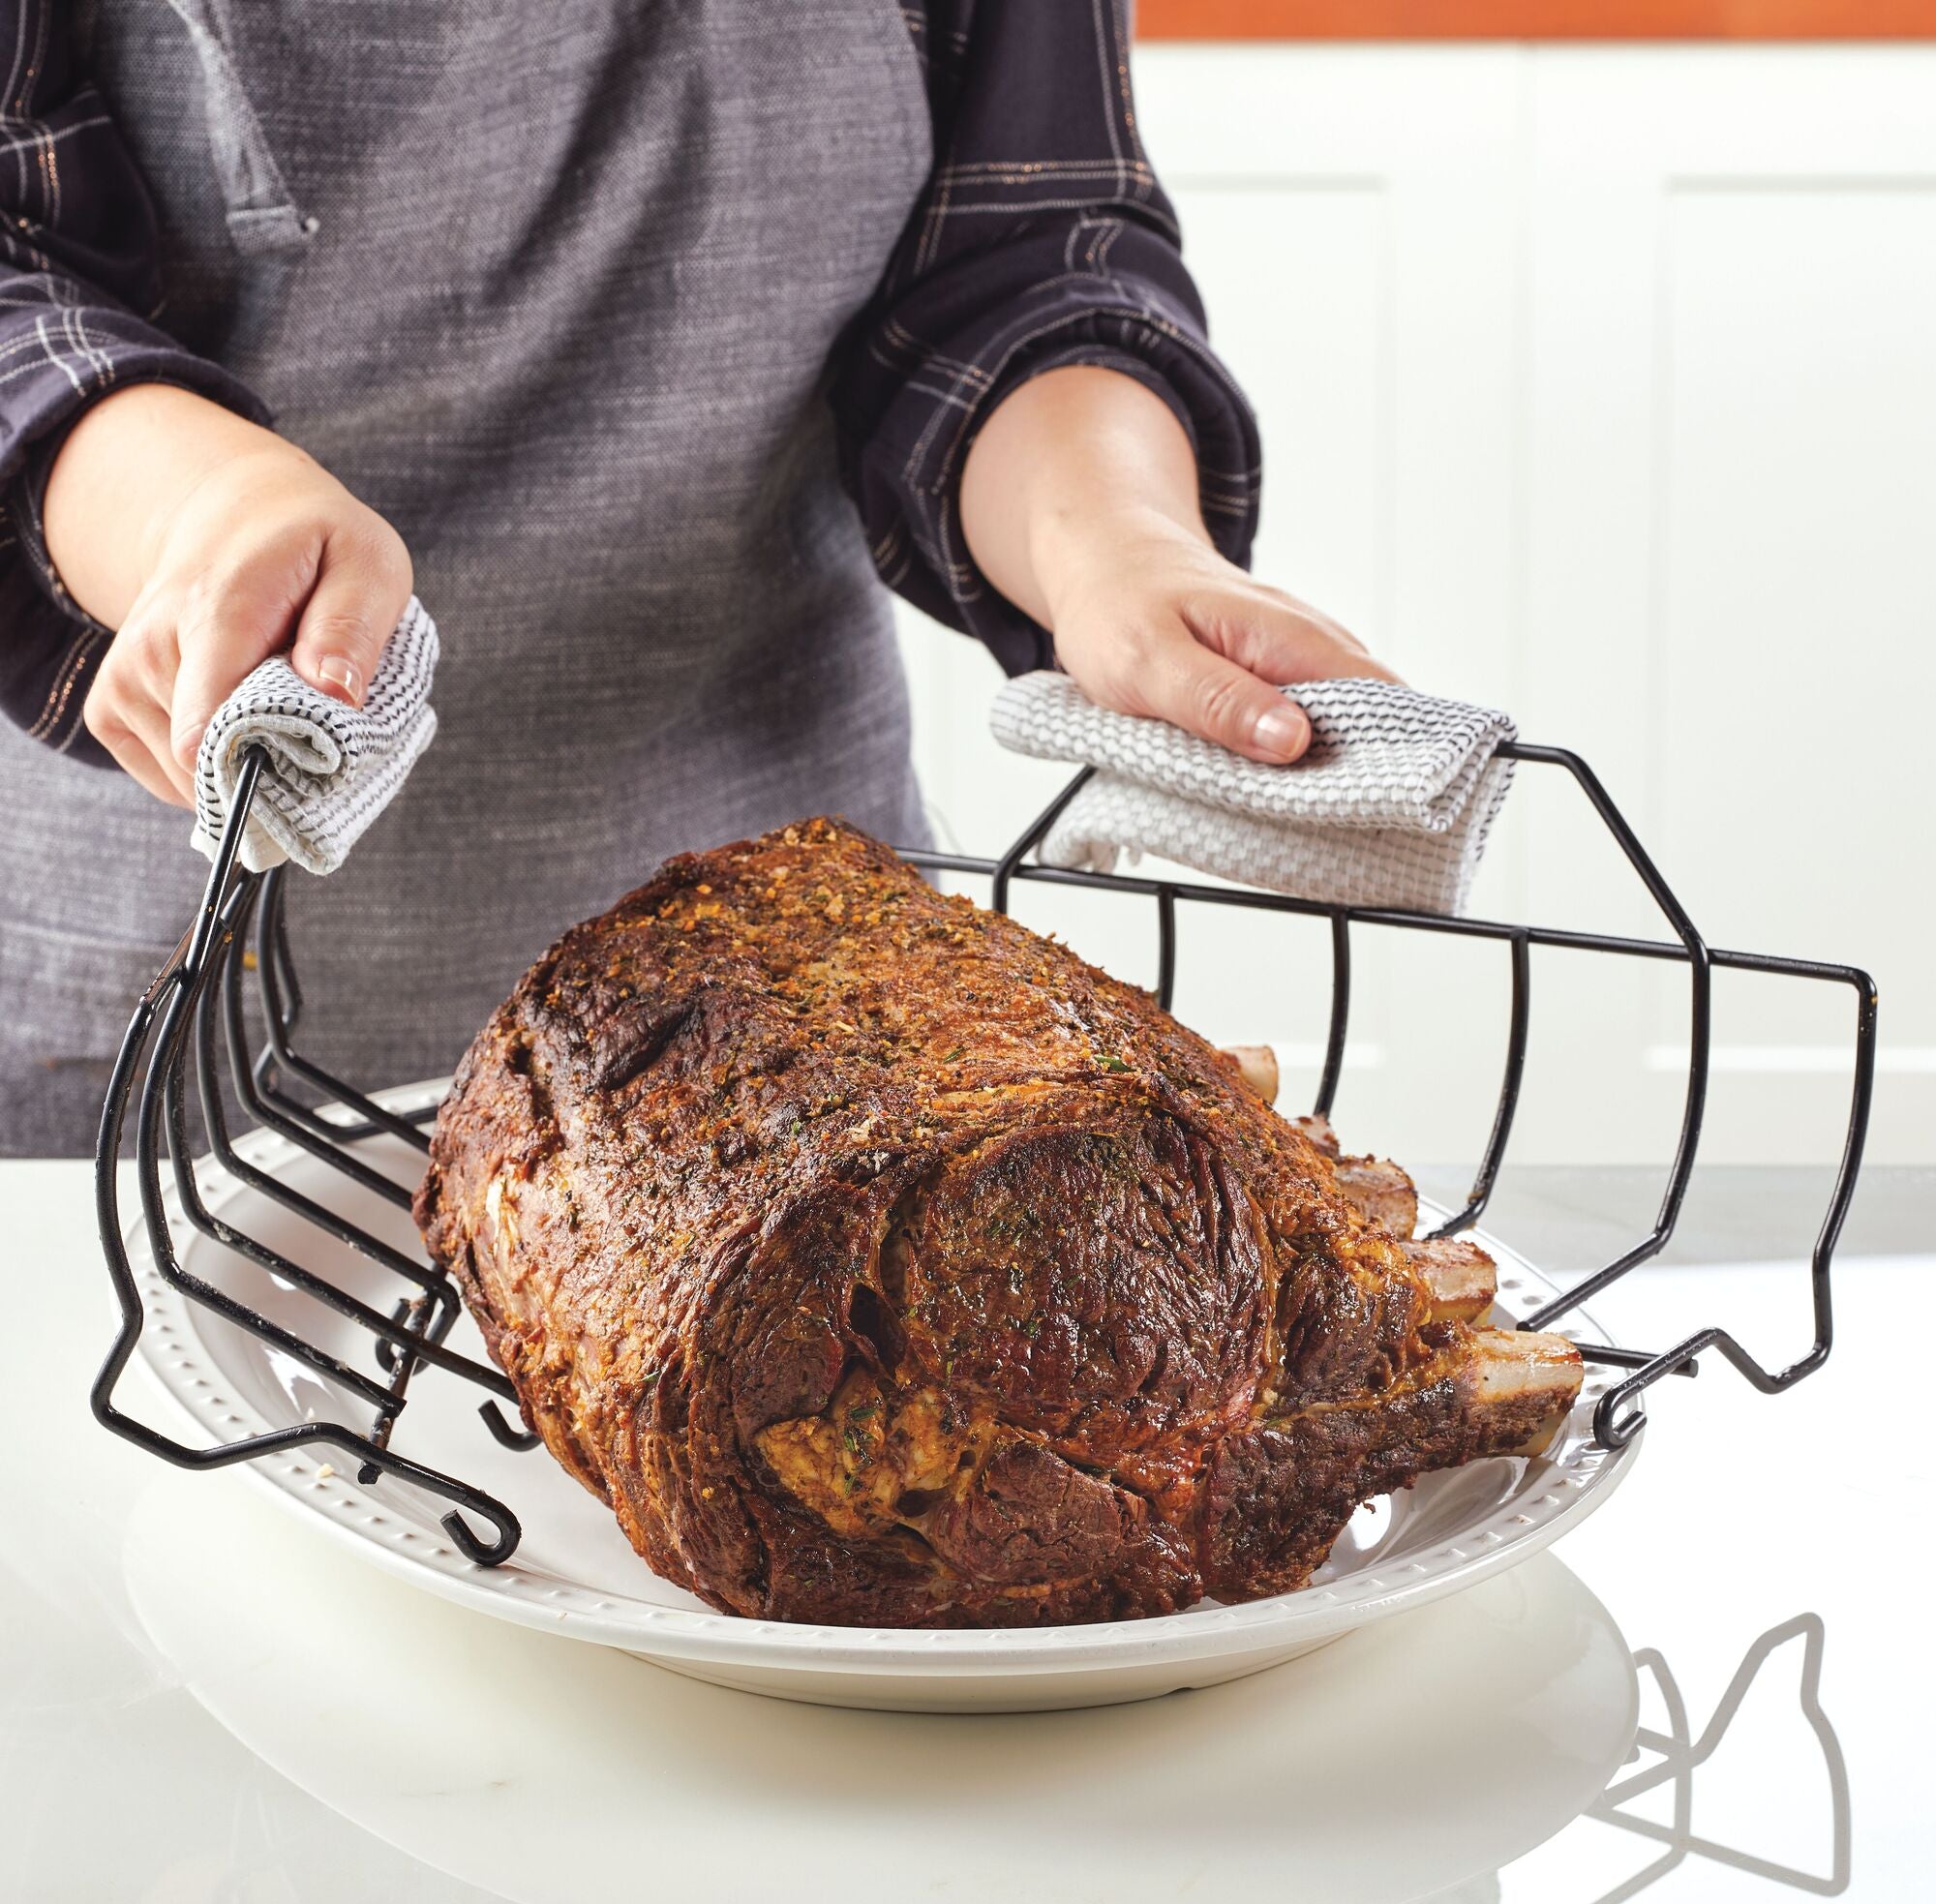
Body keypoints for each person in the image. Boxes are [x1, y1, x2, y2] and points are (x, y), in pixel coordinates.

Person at [0, 1, 1393, 1156]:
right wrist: (203, 509)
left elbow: (1019, 249)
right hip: (164, 1051)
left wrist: (1118, 552)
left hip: (807, 1016)